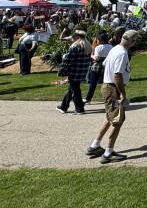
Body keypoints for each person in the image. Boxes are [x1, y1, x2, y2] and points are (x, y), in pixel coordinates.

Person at [86, 29, 140, 163]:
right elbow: (117, 74)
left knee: (110, 117)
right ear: (132, 41)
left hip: (107, 86)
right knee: (117, 120)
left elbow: (105, 65)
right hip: (113, 88)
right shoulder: (122, 53)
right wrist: (122, 92)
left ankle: (95, 145)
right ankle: (108, 152)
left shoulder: (115, 49)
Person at [57, 30, 92, 114]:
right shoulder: (87, 46)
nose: (72, 38)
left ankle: (79, 108)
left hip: (74, 71)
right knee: (72, 88)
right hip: (82, 71)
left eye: (73, 36)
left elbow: (68, 60)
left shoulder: (75, 46)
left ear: (78, 37)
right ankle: (63, 106)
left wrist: (62, 71)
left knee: (75, 90)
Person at [85, 31, 112, 104]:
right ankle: (109, 98)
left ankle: (88, 98)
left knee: (93, 84)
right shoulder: (111, 46)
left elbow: (96, 58)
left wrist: (91, 55)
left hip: (97, 67)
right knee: (107, 83)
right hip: (106, 66)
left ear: (100, 40)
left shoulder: (98, 47)